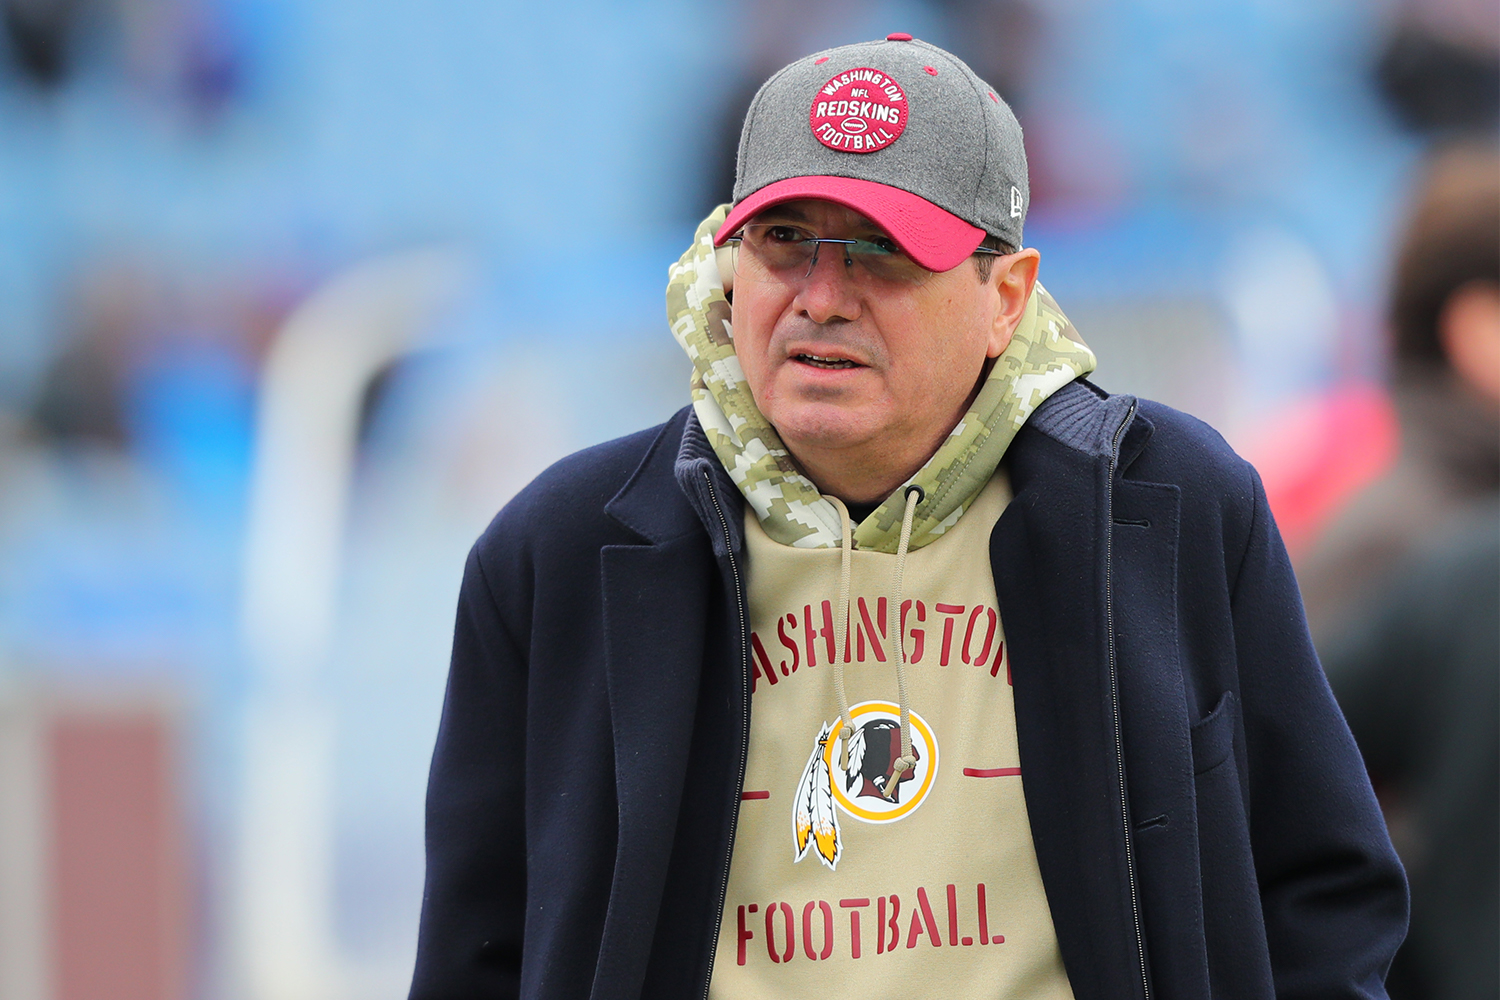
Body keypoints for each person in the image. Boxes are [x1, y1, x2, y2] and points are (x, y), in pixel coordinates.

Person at [408, 36, 1406, 1000]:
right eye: (784, 240)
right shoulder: (557, 554)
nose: (823, 297)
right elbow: (477, 954)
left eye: (884, 251)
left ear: (1005, 296)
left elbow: (1322, 891)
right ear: (725, 263)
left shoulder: (1170, 507)